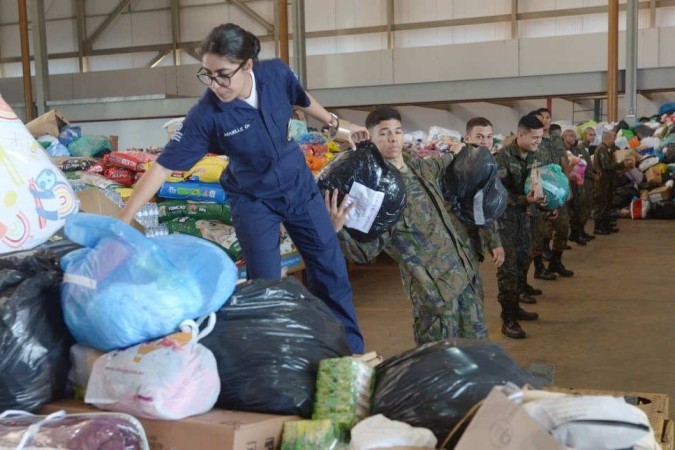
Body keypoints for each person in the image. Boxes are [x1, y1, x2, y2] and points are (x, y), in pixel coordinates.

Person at [119, 23, 367, 353]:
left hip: (298, 187)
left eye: (223, 74)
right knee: (264, 287)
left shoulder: (276, 74)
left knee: (332, 273)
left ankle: (351, 355)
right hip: (253, 201)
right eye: (207, 74)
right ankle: (277, 361)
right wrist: (123, 217)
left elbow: (303, 99)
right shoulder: (206, 114)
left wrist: (338, 127)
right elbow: (164, 166)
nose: (215, 84)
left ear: (248, 65)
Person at [326, 107, 487, 345]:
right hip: (436, 297)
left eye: (398, 131)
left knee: (478, 353)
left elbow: (442, 164)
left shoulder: (417, 166)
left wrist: (461, 151)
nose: (393, 138)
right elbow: (363, 251)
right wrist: (336, 231)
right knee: (439, 364)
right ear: (370, 138)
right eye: (384, 133)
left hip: (464, 275)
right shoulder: (374, 191)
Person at [494, 115, 547, 339]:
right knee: (508, 271)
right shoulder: (502, 158)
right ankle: (508, 319)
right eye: (534, 137)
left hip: (526, 220)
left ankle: (515, 307)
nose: (538, 142)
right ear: (521, 135)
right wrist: (525, 200)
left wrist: (546, 204)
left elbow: (537, 185)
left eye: (540, 137)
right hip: (505, 223)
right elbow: (499, 195)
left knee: (523, 262)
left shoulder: (536, 156)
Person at [532, 108, 574, 278]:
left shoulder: (557, 139)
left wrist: (565, 185)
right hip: (541, 191)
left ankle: (556, 262)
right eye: (541, 117)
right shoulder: (534, 139)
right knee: (541, 232)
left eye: (548, 117)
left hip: (558, 190)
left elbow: (564, 162)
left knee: (563, 228)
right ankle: (539, 267)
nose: (545, 120)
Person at [463, 117, 506, 271]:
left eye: (489, 137)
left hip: (469, 234)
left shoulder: (484, 162)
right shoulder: (470, 167)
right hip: (461, 236)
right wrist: (495, 244)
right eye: (479, 137)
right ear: (467, 138)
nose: (485, 142)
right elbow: (480, 209)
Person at [593, 130, 634, 234]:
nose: (614, 140)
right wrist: (622, 165)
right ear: (608, 138)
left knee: (607, 204)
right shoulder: (602, 149)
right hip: (602, 182)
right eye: (612, 138)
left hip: (608, 181)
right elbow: (607, 165)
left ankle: (605, 225)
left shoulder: (607, 149)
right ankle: (598, 227)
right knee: (601, 204)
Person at [563, 129, 594, 245]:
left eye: (574, 136)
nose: (573, 138)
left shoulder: (575, 150)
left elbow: (581, 164)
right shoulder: (561, 150)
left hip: (576, 183)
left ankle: (577, 233)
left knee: (578, 209)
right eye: (570, 136)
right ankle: (565, 239)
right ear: (564, 136)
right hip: (565, 184)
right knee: (566, 213)